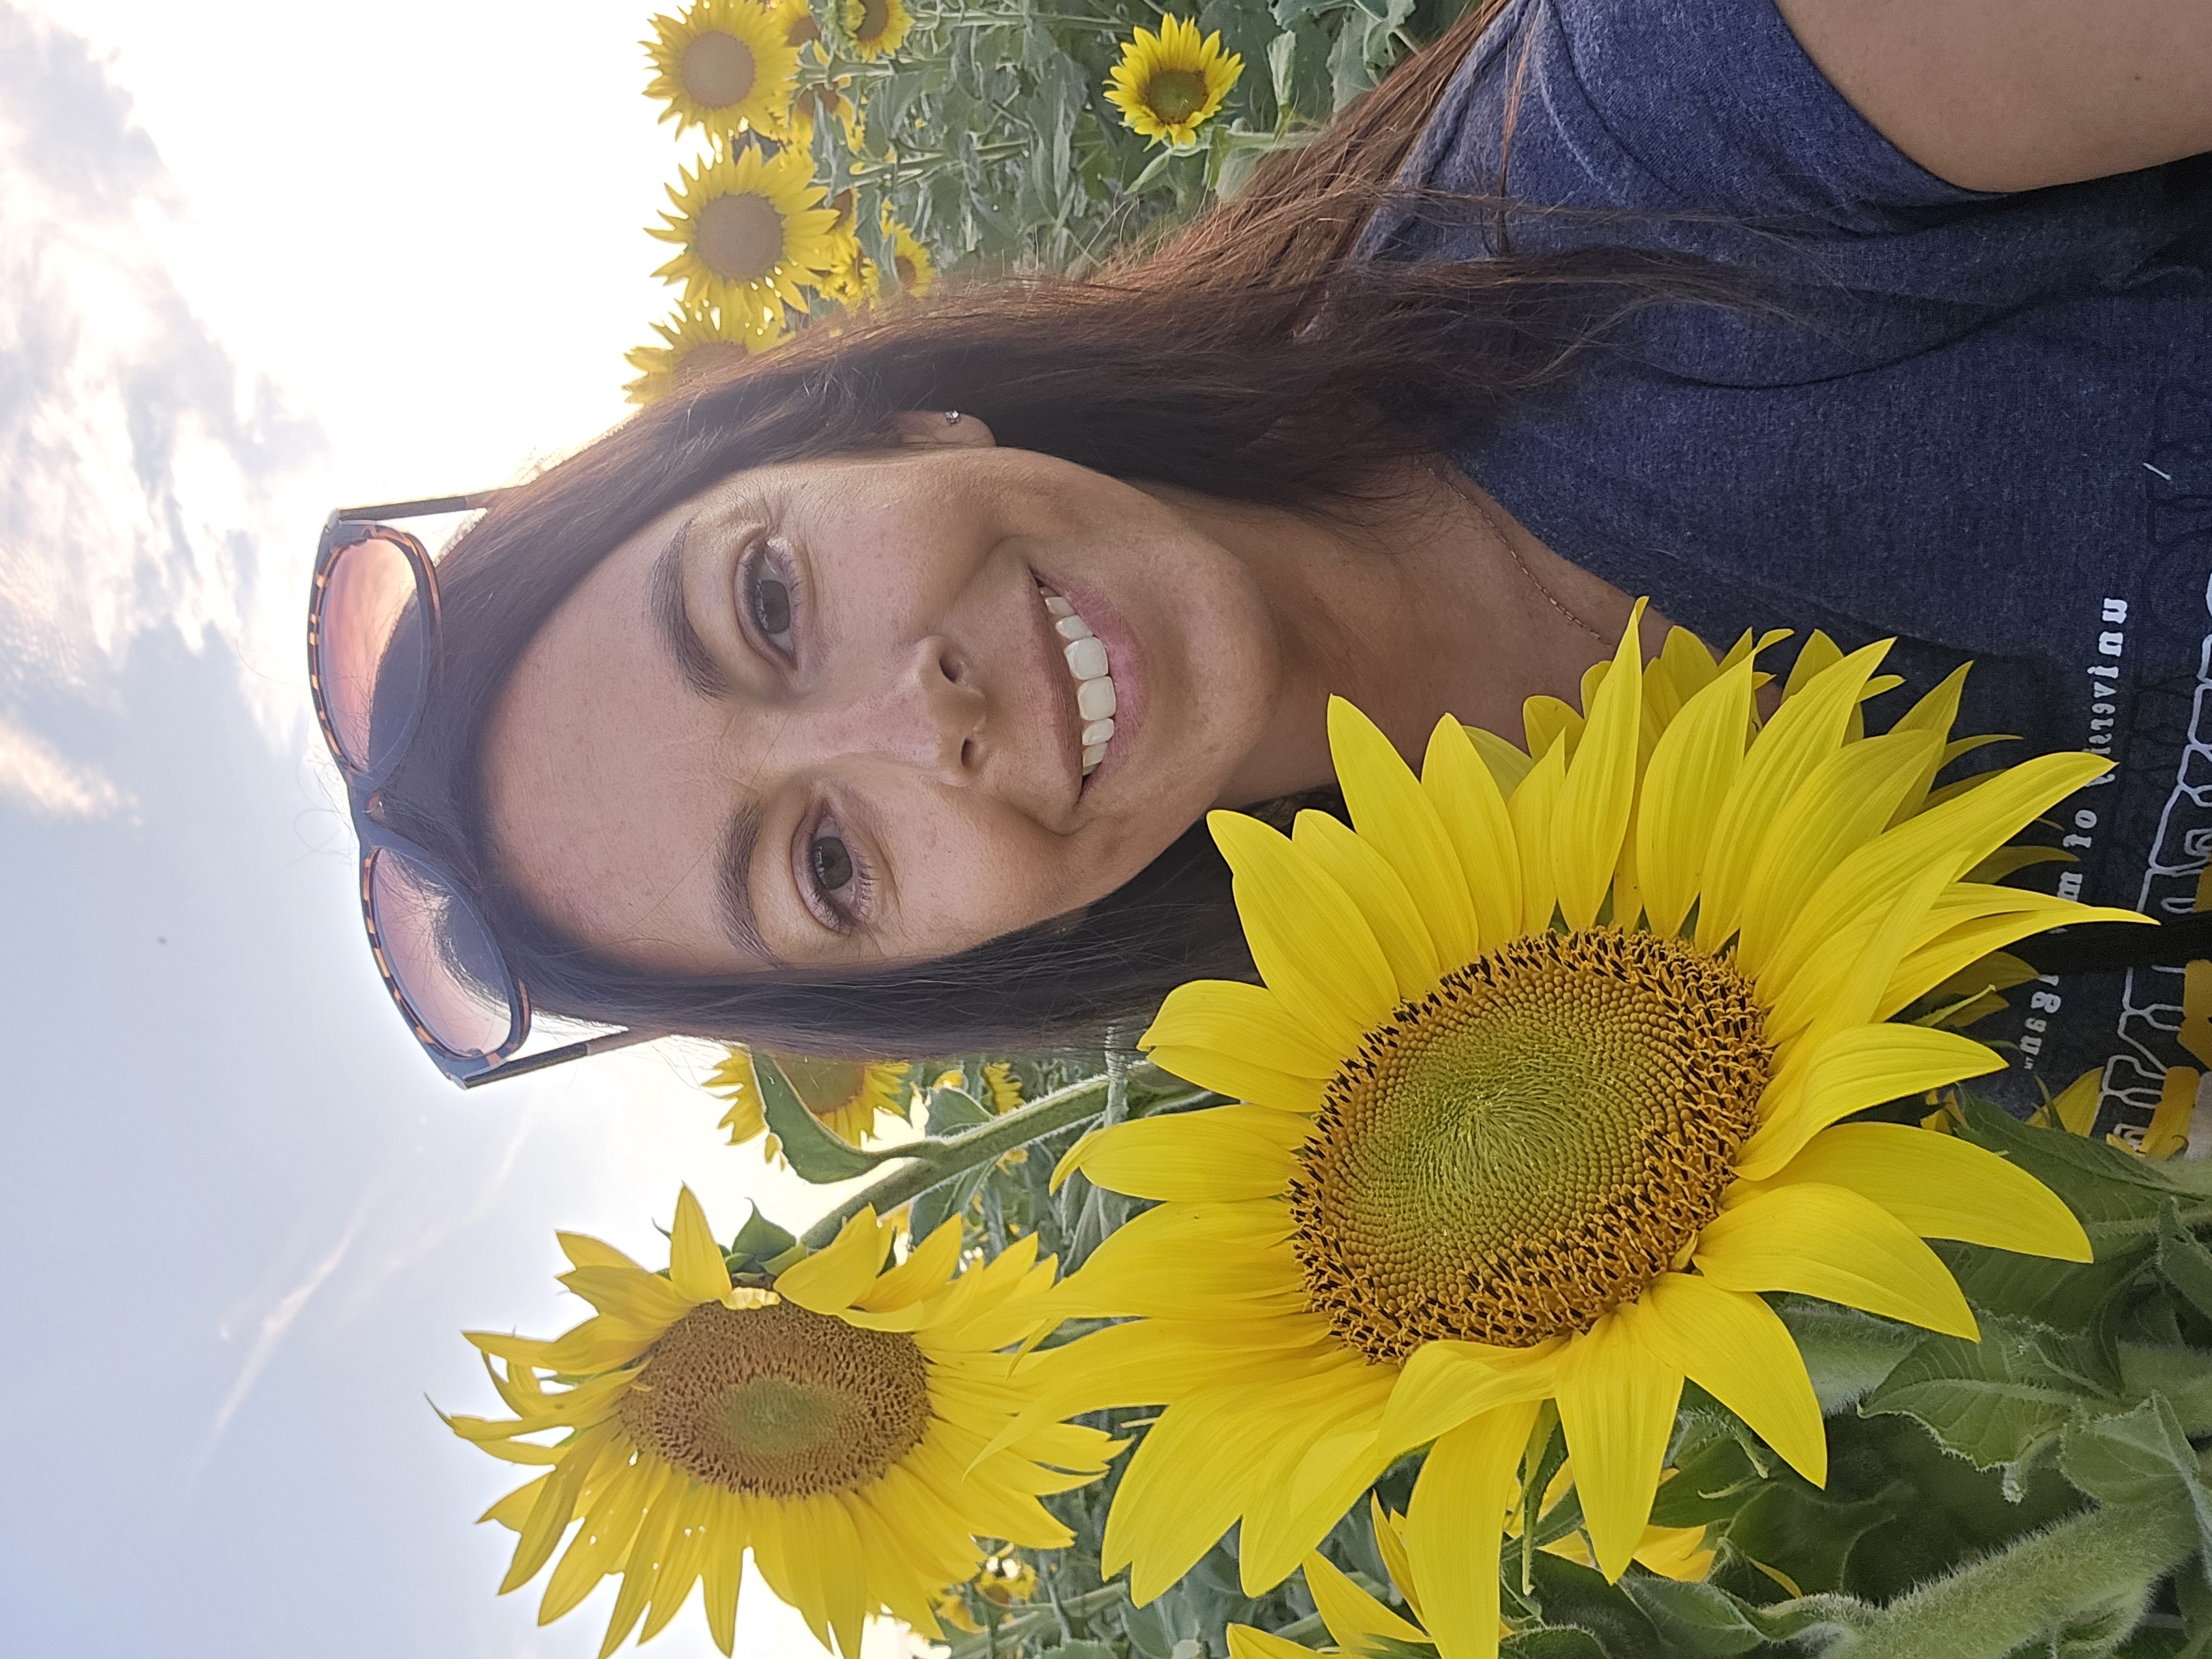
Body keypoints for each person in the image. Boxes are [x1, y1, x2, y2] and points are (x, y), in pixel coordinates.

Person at [344, 0, 2211, 1141]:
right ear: (957, 959)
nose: (917, 714)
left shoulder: (1649, 148)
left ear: (895, 426)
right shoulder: (1485, 1138)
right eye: (826, 861)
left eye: (767, 604)